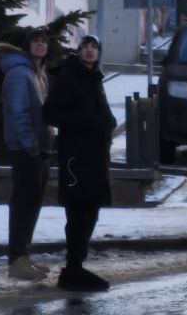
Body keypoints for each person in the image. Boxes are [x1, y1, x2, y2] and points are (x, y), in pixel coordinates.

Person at [42, 34, 115, 293]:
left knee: (92, 210)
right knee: (78, 213)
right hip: (75, 157)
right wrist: (84, 121)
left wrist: (107, 123)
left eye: (95, 47)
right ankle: (73, 269)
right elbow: (49, 113)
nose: (90, 51)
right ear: (79, 50)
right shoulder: (68, 77)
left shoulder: (95, 78)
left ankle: (76, 267)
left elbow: (100, 114)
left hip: (95, 157)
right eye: (86, 46)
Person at [0, 27, 53, 281]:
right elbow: (18, 115)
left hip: (38, 150)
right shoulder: (21, 74)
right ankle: (16, 260)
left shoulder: (37, 73)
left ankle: (23, 258)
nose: (40, 44)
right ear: (27, 46)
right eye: (35, 41)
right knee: (23, 204)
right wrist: (31, 147)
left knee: (32, 204)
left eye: (44, 41)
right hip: (26, 150)